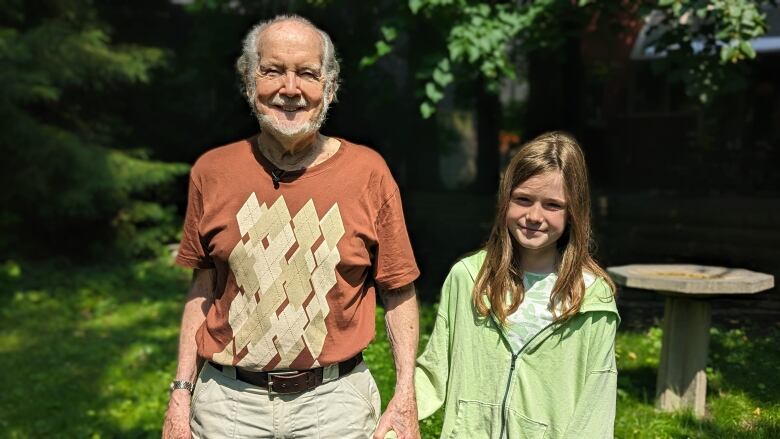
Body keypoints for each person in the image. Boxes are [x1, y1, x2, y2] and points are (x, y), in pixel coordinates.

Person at [162, 15, 421, 439]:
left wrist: (405, 395)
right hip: (228, 405)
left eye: (307, 74)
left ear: (330, 88)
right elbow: (203, 289)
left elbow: (399, 289)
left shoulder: (368, 173)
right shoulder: (212, 172)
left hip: (334, 406)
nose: (290, 88)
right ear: (249, 82)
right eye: (273, 71)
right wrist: (180, 394)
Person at [415, 132, 620, 438]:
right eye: (523, 199)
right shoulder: (469, 277)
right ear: (505, 199)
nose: (534, 216)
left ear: (573, 212)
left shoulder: (592, 297)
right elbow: (434, 368)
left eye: (552, 205)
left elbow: (596, 405)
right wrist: (395, 420)